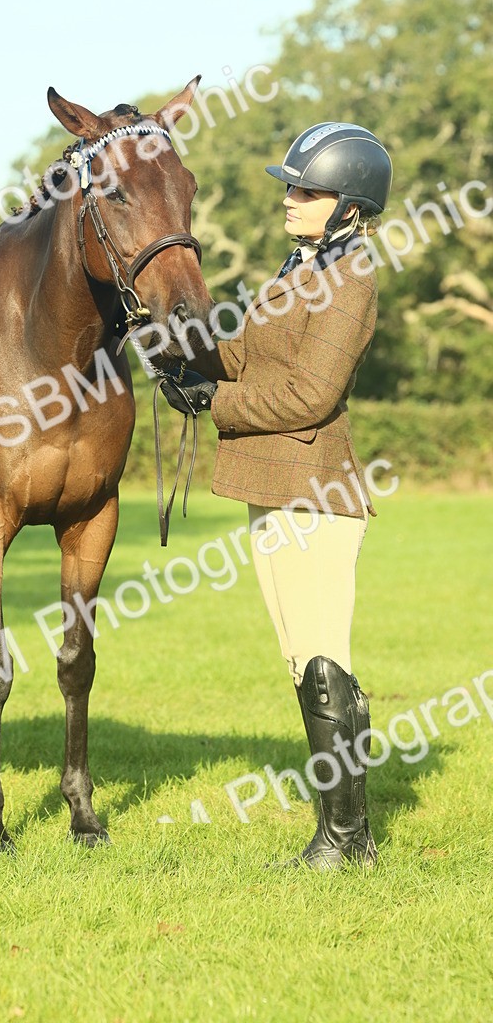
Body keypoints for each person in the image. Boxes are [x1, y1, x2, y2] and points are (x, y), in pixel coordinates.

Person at [161, 122, 393, 870]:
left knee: (323, 660)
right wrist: (180, 345)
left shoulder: (350, 279)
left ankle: (347, 841)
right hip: (277, 487)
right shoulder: (299, 268)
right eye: (291, 187)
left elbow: (308, 393)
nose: (290, 199)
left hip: (315, 491)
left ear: (350, 207)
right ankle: (344, 837)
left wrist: (211, 403)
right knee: (304, 660)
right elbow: (249, 356)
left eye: (307, 191)